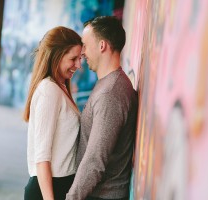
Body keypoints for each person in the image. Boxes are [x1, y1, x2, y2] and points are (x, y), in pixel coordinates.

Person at [66, 16, 138, 200]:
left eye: (85, 45)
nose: (82, 53)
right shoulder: (109, 84)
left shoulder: (110, 93)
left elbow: (95, 160)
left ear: (102, 46)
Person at [23, 26, 83, 200]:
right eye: (73, 59)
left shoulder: (60, 87)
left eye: (80, 58)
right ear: (56, 56)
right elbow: (42, 157)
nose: (79, 65)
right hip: (48, 189)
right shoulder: (49, 90)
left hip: (58, 185)